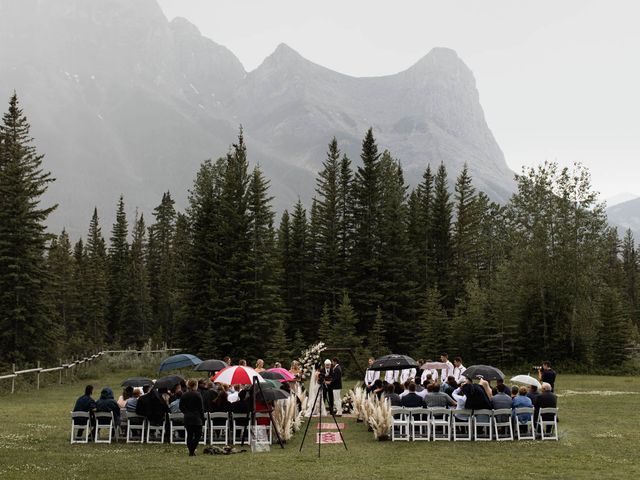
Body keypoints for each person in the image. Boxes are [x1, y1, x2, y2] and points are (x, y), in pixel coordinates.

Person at [180, 379, 205, 457]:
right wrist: (202, 418)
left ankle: (191, 451)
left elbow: (181, 407)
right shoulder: (198, 394)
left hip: (187, 417)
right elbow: (201, 408)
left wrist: (186, 412)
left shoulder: (184, 395)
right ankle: (192, 450)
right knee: (198, 435)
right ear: (195, 385)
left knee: (189, 435)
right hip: (196, 417)